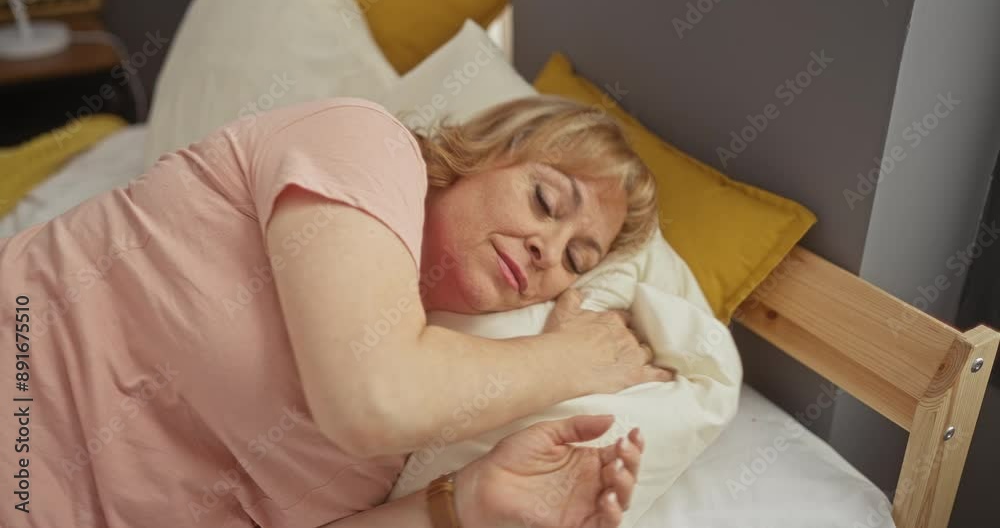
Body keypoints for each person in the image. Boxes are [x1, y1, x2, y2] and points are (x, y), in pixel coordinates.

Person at [0, 95, 674, 527]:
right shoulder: (364, 144)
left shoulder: (421, 417)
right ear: (484, 157)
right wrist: (573, 358)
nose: (545, 250)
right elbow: (369, 401)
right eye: (545, 202)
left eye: (577, 261)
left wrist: (464, 503)